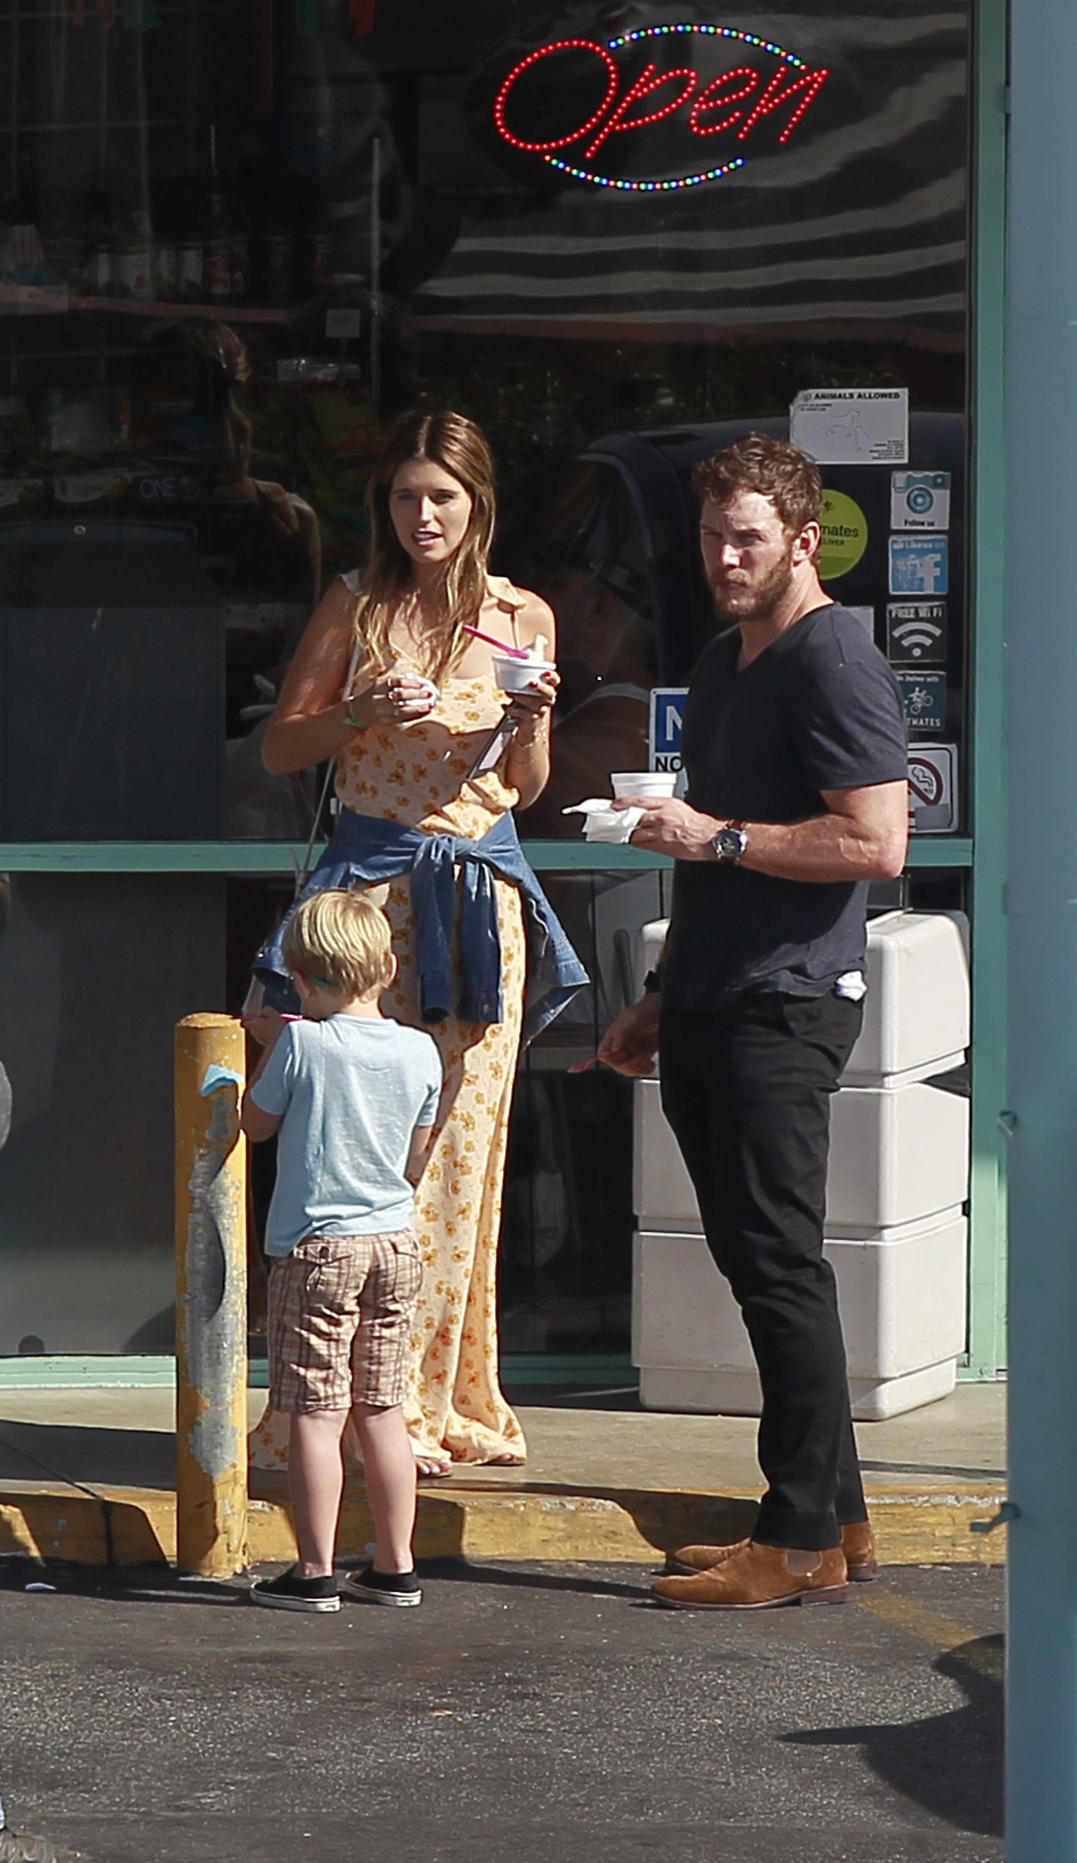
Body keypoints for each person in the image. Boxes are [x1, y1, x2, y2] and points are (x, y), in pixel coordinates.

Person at [597, 432, 909, 1610]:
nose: (725, 557)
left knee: (779, 1264)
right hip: (717, 995)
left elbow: (877, 842)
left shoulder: (834, 660)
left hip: (789, 1002)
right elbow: (718, 861)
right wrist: (661, 999)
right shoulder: (729, 661)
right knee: (759, 1260)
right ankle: (845, 1518)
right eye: (712, 537)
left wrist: (714, 837)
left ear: (801, 540)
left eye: (748, 538)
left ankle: (792, 1538)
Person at [248, 409, 587, 1481]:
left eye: (442, 495)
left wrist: (533, 716)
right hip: (366, 903)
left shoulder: (518, 613)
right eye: (404, 494)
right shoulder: (359, 602)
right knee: (344, 1150)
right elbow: (279, 748)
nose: (423, 514)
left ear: (477, 501)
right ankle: (325, 1404)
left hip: (477, 901)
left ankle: (425, 1406)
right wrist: (355, 709)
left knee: (452, 1160)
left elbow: (526, 788)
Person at [242, 890, 442, 1612]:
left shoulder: (300, 1043)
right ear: (388, 968)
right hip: (395, 1243)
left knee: (316, 1414)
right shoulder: (421, 1049)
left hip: (318, 1248)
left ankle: (316, 1567)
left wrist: (268, 1045)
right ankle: (395, 1564)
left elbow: (255, 1124)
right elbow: (415, 1157)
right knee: (382, 1408)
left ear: (298, 978)